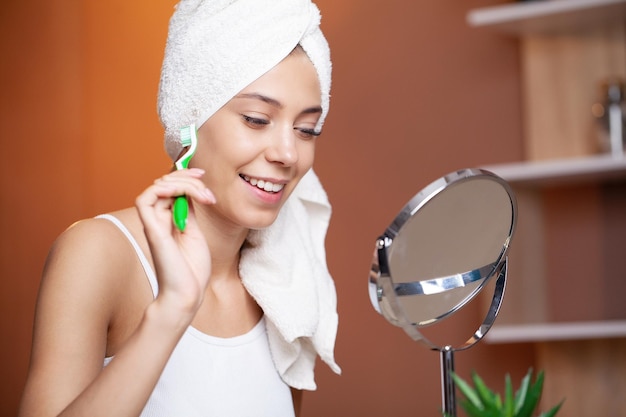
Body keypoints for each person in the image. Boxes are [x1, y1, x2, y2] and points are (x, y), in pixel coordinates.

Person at [18, 0, 340, 416]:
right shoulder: (98, 254)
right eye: (257, 119)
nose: (287, 153)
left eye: (306, 130)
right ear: (189, 119)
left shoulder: (287, 285)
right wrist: (171, 311)